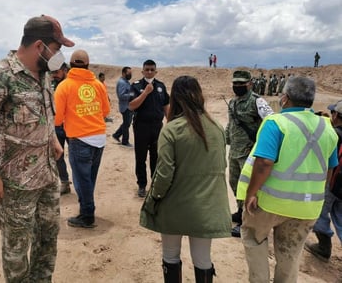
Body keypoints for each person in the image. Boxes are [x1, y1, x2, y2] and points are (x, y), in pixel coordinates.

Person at [0, 14, 74, 282]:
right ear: (39, 46)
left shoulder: (42, 74)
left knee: (47, 243)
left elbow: (42, 113)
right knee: (16, 252)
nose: (58, 56)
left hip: (46, 178)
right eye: (56, 49)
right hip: (14, 186)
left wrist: (52, 140)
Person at [236, 77, 338, 283]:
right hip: (307, 208)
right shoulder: (327, 127)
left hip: (270, 203)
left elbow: (264, 162)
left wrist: (251, 193)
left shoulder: (276, 123)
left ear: (285, 98)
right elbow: (330, 168)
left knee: (254, 240)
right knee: (290, 253)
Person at [140, 75, 231, 283]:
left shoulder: (171, 129)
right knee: (203, 259)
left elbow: (163, 175)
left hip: (174, 207)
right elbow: (220, 167)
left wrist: (153, 199)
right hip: (207, 208)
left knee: (170, 256)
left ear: (174, 98)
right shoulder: (216, 127)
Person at [54, 49, 110, 228]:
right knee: (89, 179)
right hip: (99, 138)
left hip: (80, 139)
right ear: (88, 65)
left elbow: (56, 118)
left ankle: (87, 215)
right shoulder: (98, 85)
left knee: (81, 179)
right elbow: (106, 111)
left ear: (70, 65)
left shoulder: (64, 86)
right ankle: (85, 209)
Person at [225, 70, 273, 238]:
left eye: (241, 84)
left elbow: (271, 122)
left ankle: (247, 220)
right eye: (235, 84)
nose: (237, 87)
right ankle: (240, 211)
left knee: (248, 187)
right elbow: (230, 125)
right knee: (235, 184)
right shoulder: (232, 102)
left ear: (250, 84)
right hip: (235, 151)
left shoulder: (257, 101)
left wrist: (261, 144)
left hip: (250, 153)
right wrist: (225, 140)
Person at [304, 100, 342, 262]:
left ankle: (323, 247)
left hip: (333, 183)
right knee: (340, 219)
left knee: (319, 213)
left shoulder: (335, 134)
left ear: (337, 115)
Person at [129, 59, 169, 198]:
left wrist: (170, 122)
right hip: (141, 127)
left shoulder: (161, 86)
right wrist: (145, 93)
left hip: (157, 127)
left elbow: (166, 106)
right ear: (142, 71)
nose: (150, 72)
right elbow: (132, 106)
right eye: (147, 69)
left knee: (156, 157)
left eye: (152, 69)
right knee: (140, 157)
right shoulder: (136, 86)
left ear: (156, 71)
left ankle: (155, 184)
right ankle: (141, 184)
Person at [50, 62, 71, 195]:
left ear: (64, 70)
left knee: (75, 157)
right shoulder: (52, 83)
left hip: (70, 126)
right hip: (56, 126)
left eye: (56, 72)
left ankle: (81, 184)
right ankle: (64, 182)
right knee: (58, 155)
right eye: (52, 73)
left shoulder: (71, 84)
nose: (54, 75)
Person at [112, 66, 133, 147]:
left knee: (126, 123)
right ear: (124, 73)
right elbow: (121, 95)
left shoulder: (126, 82)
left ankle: (116, 135)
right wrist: (131, 95)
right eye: (129, 73)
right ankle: (125, 141)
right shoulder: (122, 83)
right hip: (125, 107)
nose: (130, 74)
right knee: (126, 124)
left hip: (128, 106)